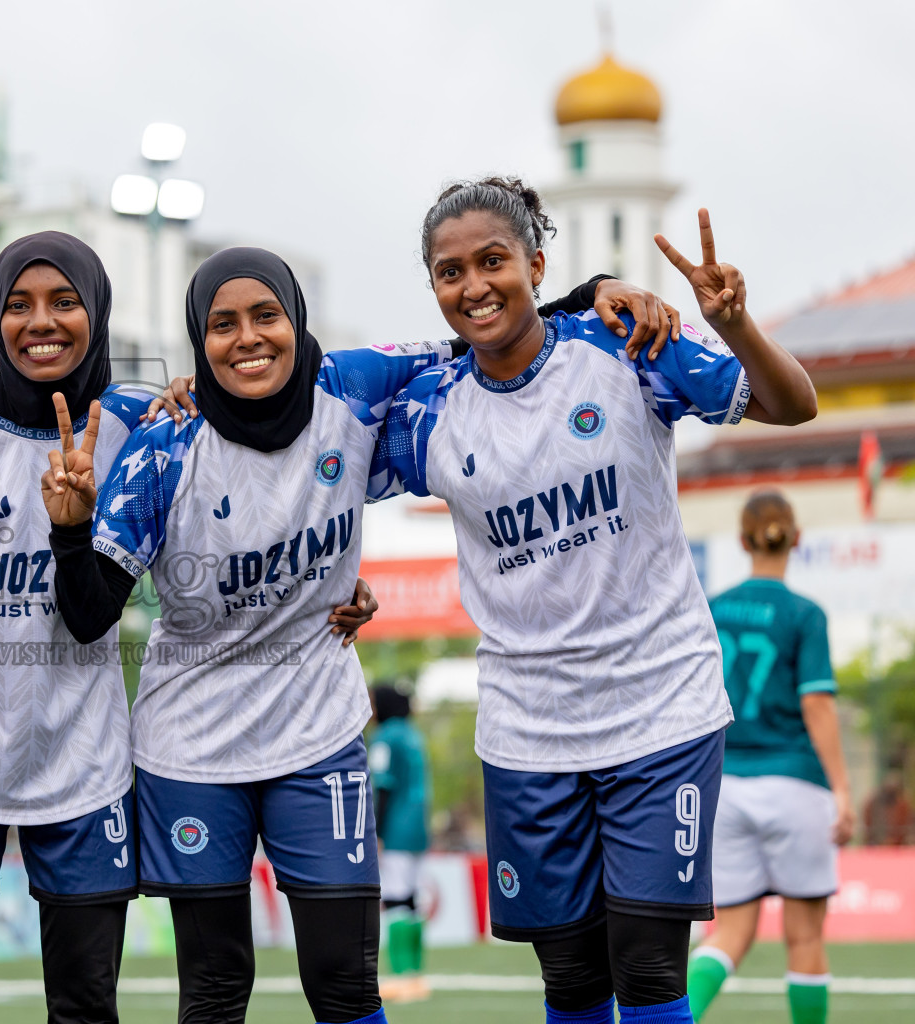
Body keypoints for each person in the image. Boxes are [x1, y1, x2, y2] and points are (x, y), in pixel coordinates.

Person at [41, 244, 653, 1024]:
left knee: (343, 983)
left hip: (317, 735)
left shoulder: (354, 387)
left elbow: (486, 330)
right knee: (217, 986)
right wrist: (68, 533)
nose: (248, 338)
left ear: (297, 321)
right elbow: (91, 613)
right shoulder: (166, 447)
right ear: (199, 341)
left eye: (266, 316)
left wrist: (593, 291)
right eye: (222, 325)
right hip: (189, 749)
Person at [0, 231, 378, 1023]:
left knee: (87, 1006)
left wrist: (329, 582)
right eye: (18, 305)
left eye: (64, 302)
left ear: (99, 311)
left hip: (85, 767)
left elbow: (246, 494)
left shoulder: (146, 421)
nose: (40, 322)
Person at [371, 178, 818, 1024]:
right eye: (449, 272)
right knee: (572, 982)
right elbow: (300, 452)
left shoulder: (625, 347)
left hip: (662, 712)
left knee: (648, 971)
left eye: (494, 261)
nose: (473, 287)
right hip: (528, 733)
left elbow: (794, 404)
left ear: (537, 264)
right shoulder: (428, 408)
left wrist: (730, 325)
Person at [687, 492, 853, 1024]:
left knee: (728, 935)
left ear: (742, 540)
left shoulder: (710, 608)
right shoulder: (805, 614)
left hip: (726, 787)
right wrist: (843, 791)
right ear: (796, 539)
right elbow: (817, 704)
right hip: (796, 784)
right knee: (804, 938)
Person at [368, 685, 431, 1000]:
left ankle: (403, 977)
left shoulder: (385, 737)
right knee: (411, 899)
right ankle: (417, 974)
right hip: (418, 826)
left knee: (394, 898)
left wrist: (376, 830)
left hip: (396, 828)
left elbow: (383, 786)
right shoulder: (412, 734)